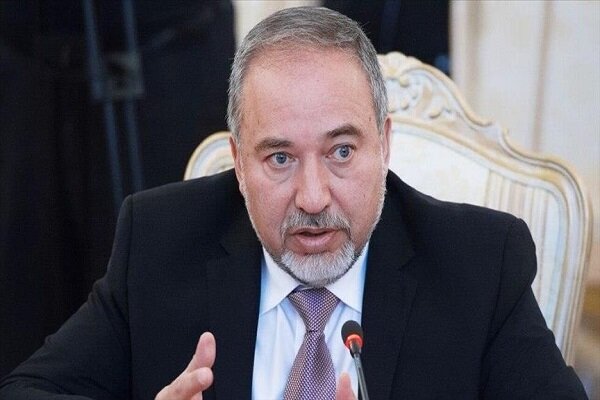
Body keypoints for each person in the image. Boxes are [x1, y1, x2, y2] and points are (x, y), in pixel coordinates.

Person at [0, 6, 588, 400]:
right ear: (238, 161)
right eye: (280, 158)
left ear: (385, 144)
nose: (312, 198)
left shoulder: (479, 265)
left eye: (341, 152)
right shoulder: (159, 242)